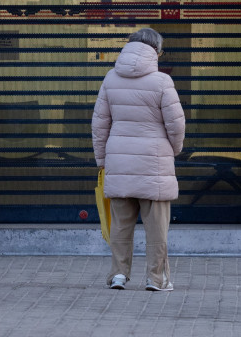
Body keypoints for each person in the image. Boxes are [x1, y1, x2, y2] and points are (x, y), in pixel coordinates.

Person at [91, 28, 185, 291]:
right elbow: (176, 125)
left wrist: (102, 159)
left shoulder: (110, 79)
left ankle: (119, 275)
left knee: (121, 225)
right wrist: (173, 150)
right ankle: (157, 279)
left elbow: (99, 125)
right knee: (157, 229)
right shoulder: (162, 82)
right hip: (155, 163)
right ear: (156, 51)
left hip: (120, 162)